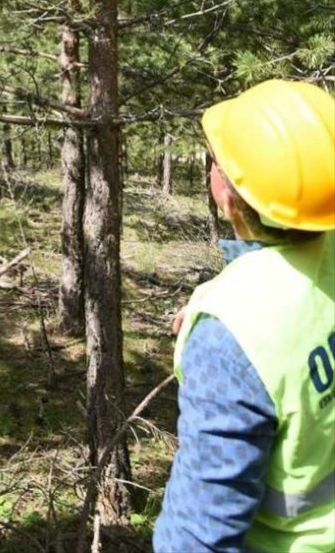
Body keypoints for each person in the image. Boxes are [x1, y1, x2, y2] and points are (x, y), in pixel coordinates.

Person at [154, 79, 335, 553]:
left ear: (226, 193)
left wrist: (225, 325)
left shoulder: (232, 331)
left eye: (216, 160)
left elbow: (199, 536)